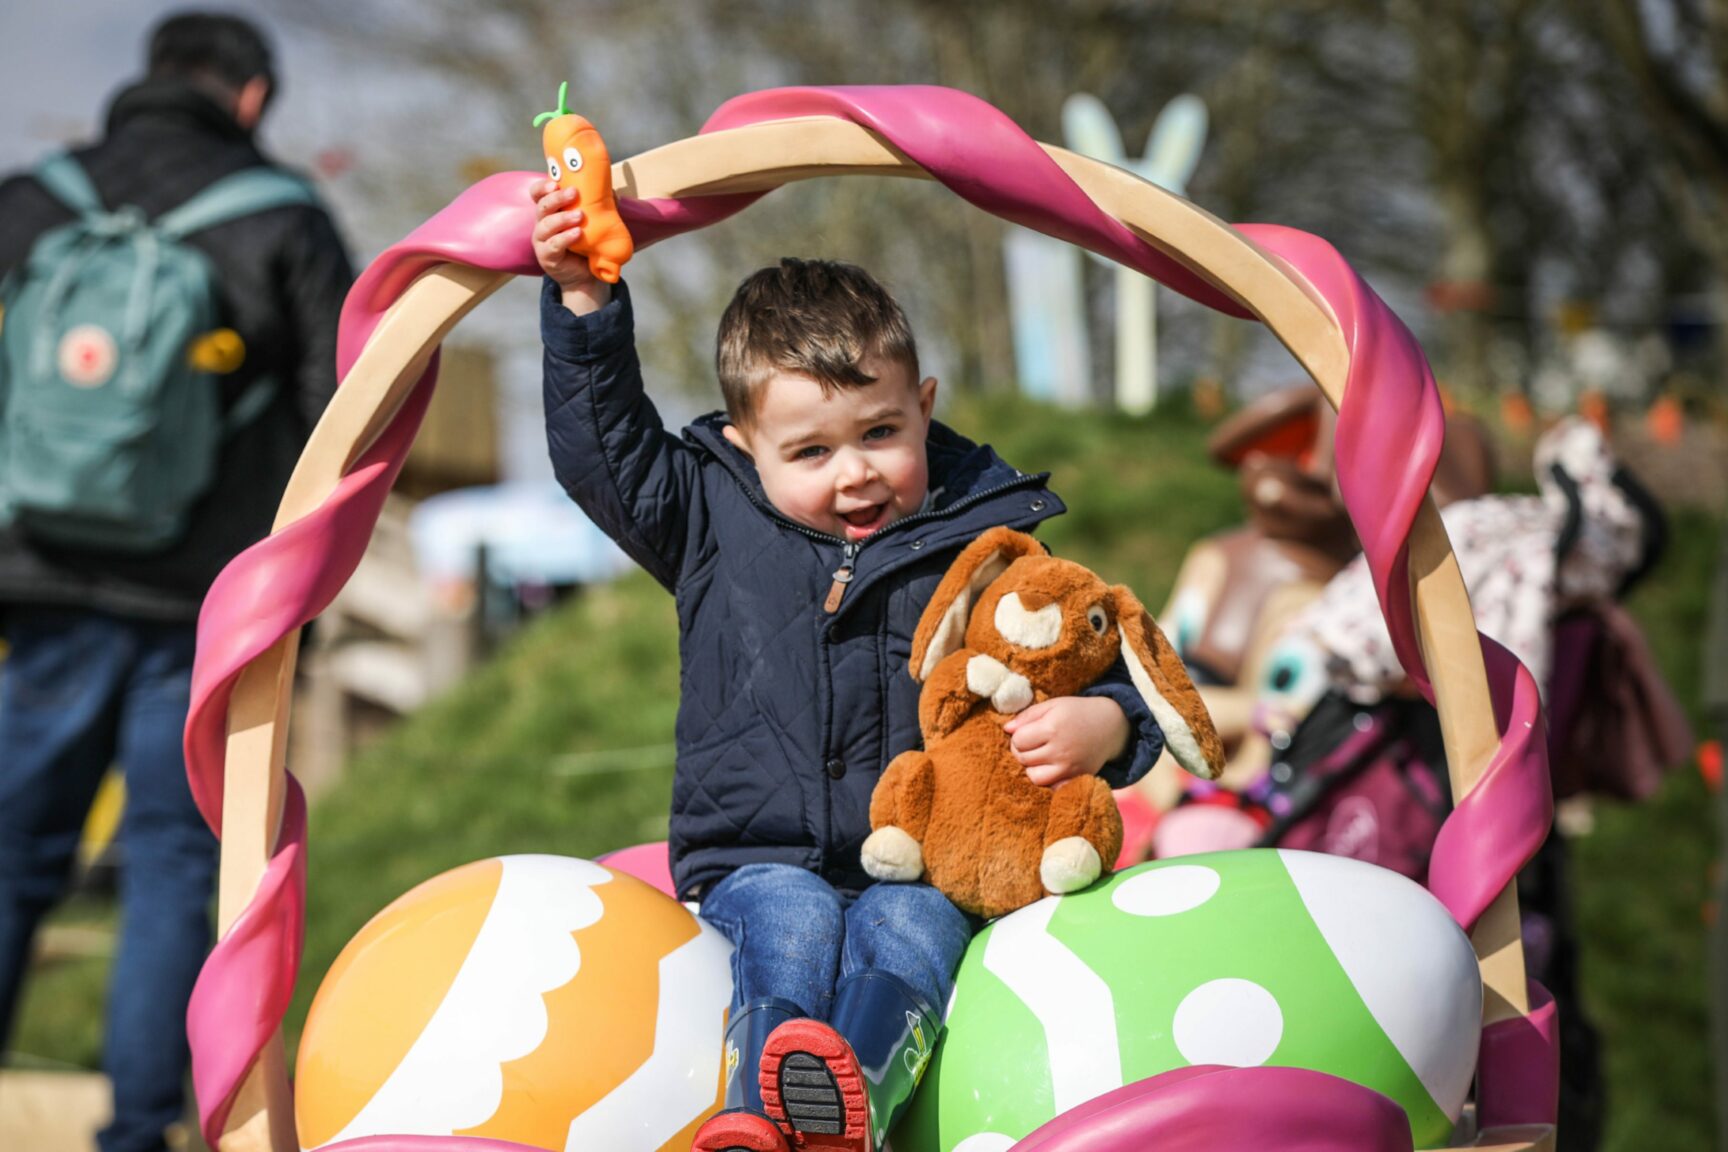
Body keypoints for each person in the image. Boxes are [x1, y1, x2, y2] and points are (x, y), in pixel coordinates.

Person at [533, 183, 1165, 1152]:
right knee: (789, 927)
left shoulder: (985, 533)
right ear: (748, 448)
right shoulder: (708, 511)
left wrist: (1112, 724)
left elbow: (1078, 641)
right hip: (756, 852)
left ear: (923, 407)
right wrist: (584, 304)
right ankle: (752, 1107)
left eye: (879, 433)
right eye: (811, 450)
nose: (855, 472)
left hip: (926, 859)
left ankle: (854, 1099)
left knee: (910, 932)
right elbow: (604, 453)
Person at [0, 13, 351, 1152]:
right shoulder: (285, 217)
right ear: (250, 98)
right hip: (205, 604)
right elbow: (336, 416)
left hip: (43, 581)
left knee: (11, 854)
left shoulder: (32, 199)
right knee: (169, 864)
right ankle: (137, 1127)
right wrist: (296, 587)